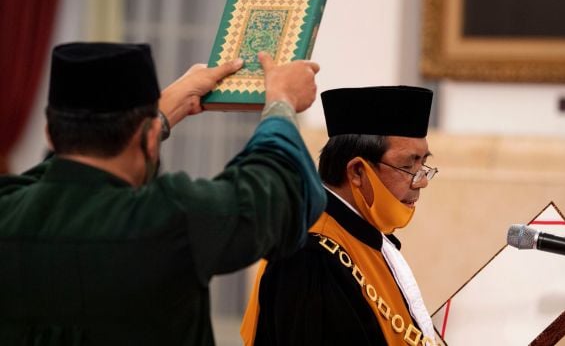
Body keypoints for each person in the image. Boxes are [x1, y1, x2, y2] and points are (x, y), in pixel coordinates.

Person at [0, 42, 326, 345]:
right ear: (151, 138)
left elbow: (58, 176)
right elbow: (280, 187)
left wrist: (159, 118)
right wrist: (281, 102)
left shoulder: (7, 209)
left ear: (50, 136)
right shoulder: (170, 218)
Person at [241, 86, 440, 345]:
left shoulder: (366, 236)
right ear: (358, 171)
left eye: (423, 164)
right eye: (406, 166)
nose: (421, 182)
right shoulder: (309, 256)